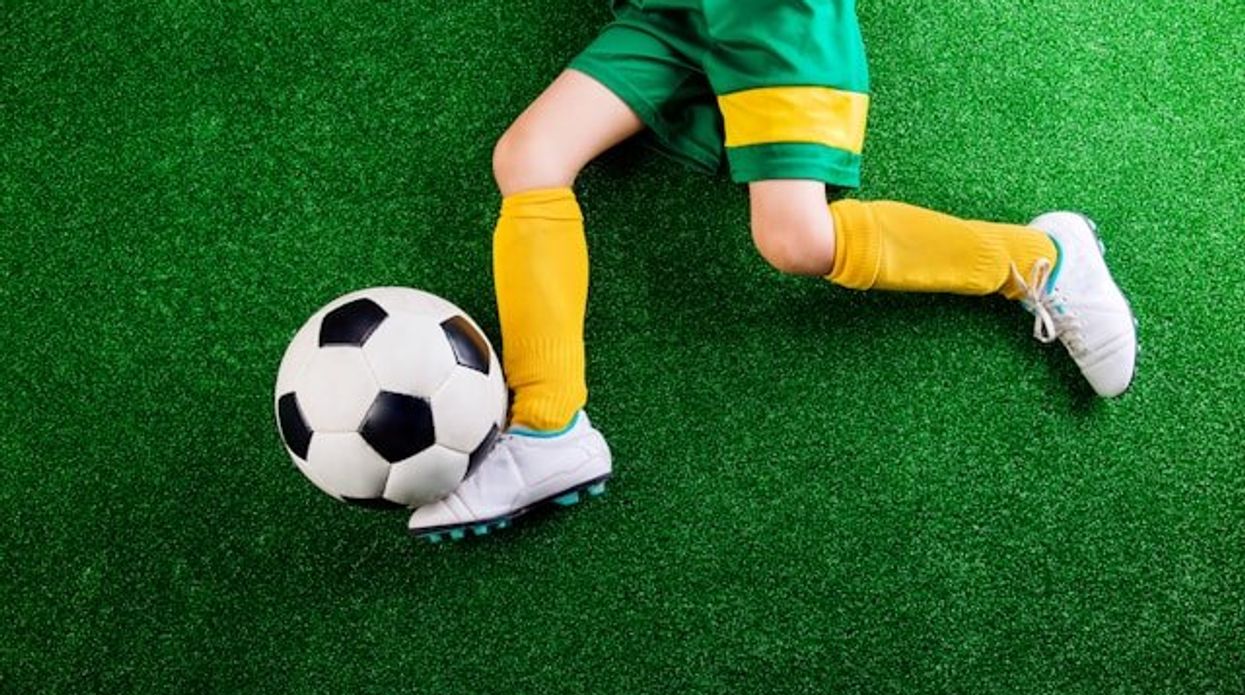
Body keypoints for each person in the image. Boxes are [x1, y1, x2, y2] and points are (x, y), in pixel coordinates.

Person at [407, 0, 1137, 542]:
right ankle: (548, 423)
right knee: (528, 157)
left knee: (793, 241)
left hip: (773, 15)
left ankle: (1036, 259)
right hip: (673, 12)